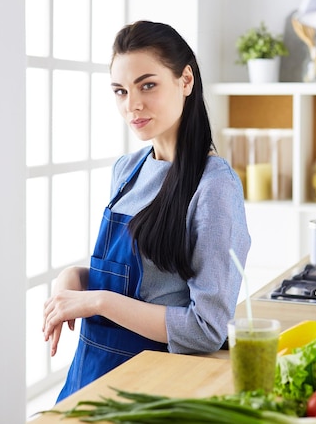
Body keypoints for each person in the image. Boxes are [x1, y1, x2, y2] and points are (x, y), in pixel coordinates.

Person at [42, 20, 251, 402]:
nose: (131, 104)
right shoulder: (127, 169)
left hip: (153, 387)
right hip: (90, 376)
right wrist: (74, 277)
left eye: (147, 85)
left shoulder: (215, 186)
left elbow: (207, 329)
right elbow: (150, 282)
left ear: (185, 80)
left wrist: (98, 301)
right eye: (121, 91)